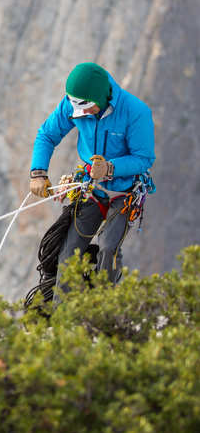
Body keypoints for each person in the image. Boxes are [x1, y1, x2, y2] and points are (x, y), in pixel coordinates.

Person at [29, 62, 155, 301]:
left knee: (108, 248)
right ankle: (62, 319)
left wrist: (110, 168)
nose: (81, 114)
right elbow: (47, 135)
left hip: (124, 192)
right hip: (91, 188)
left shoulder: (135, 112)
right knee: (68, 255)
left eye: (86, 108)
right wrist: (38, 172)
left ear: (100, 97)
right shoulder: (75, 103)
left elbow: (144, 159)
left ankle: (103, 312)